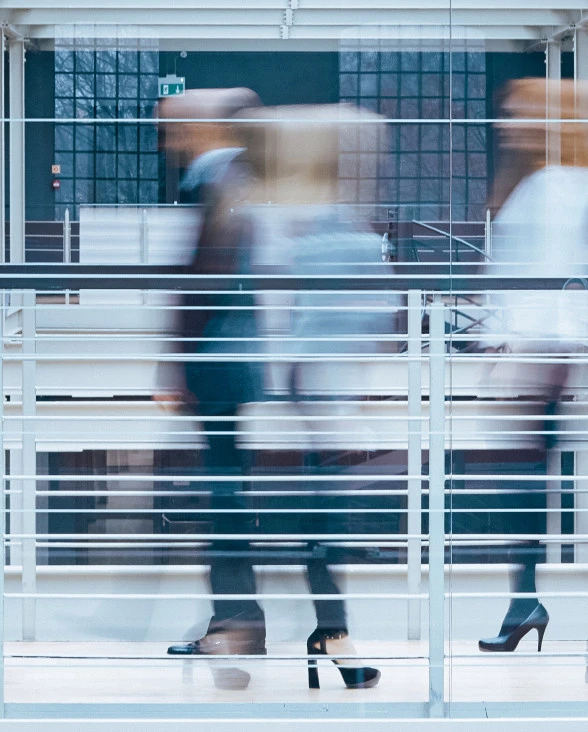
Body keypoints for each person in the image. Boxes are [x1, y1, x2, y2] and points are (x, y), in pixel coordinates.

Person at [240, 104, 394, 690]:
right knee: (321, 526)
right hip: (311, 397)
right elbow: (364, 314)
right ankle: (329, 637)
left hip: (310, 396)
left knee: (319, 528)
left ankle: (327, 635)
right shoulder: (317, 226)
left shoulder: (307, 223)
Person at [472, 78, 588, 657]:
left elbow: (559, 281)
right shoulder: (549, 181)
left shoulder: (557, 185)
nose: (504, 124)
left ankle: (530, 603)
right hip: (534, 352)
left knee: (523, 486)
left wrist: (519, 350)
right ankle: (523, 602)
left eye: (515, 112)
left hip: (539, 355)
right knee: (522, 488)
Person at [154, 88, 268, 690]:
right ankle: (239, 617)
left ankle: (235, 623)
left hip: (216, 362)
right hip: (233, 360)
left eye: (174, 129)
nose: (168, 141)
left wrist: (176, 366)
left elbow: (204, 284)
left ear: (201, 127)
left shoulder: (218, 180)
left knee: (223, 495)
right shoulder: (235, 176)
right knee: (226, 490)